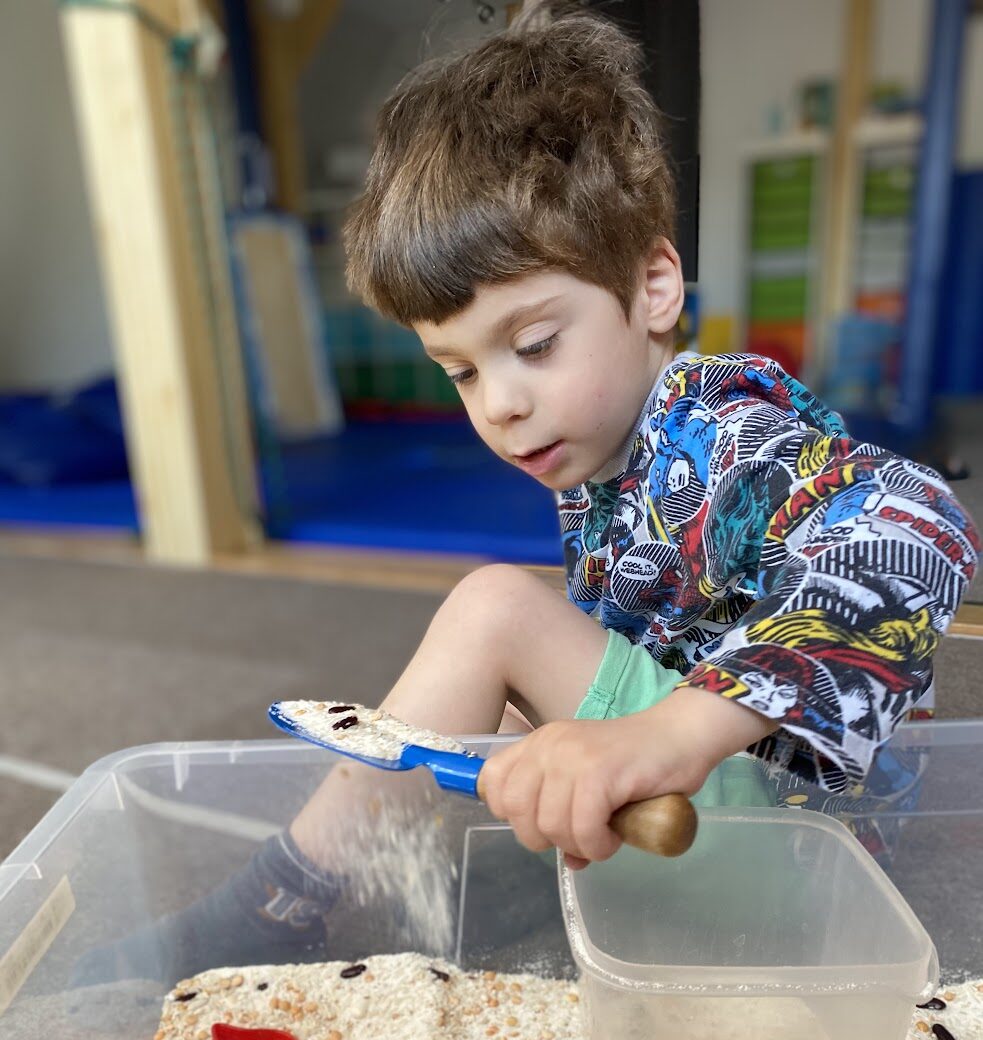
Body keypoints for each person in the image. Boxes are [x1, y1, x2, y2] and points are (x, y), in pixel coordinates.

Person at [81, 4, 977, 982]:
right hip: (738, 829)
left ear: (654, 286)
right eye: (461, 371)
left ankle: (278, 901)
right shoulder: (606, 450)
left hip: (811, 860)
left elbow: (916, 524)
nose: (498, 404)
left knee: (496, 609)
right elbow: (635, 638)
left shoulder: (719, 429)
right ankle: (447, 879)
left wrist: (669, 734)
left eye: (535, 345)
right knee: (510, 686)